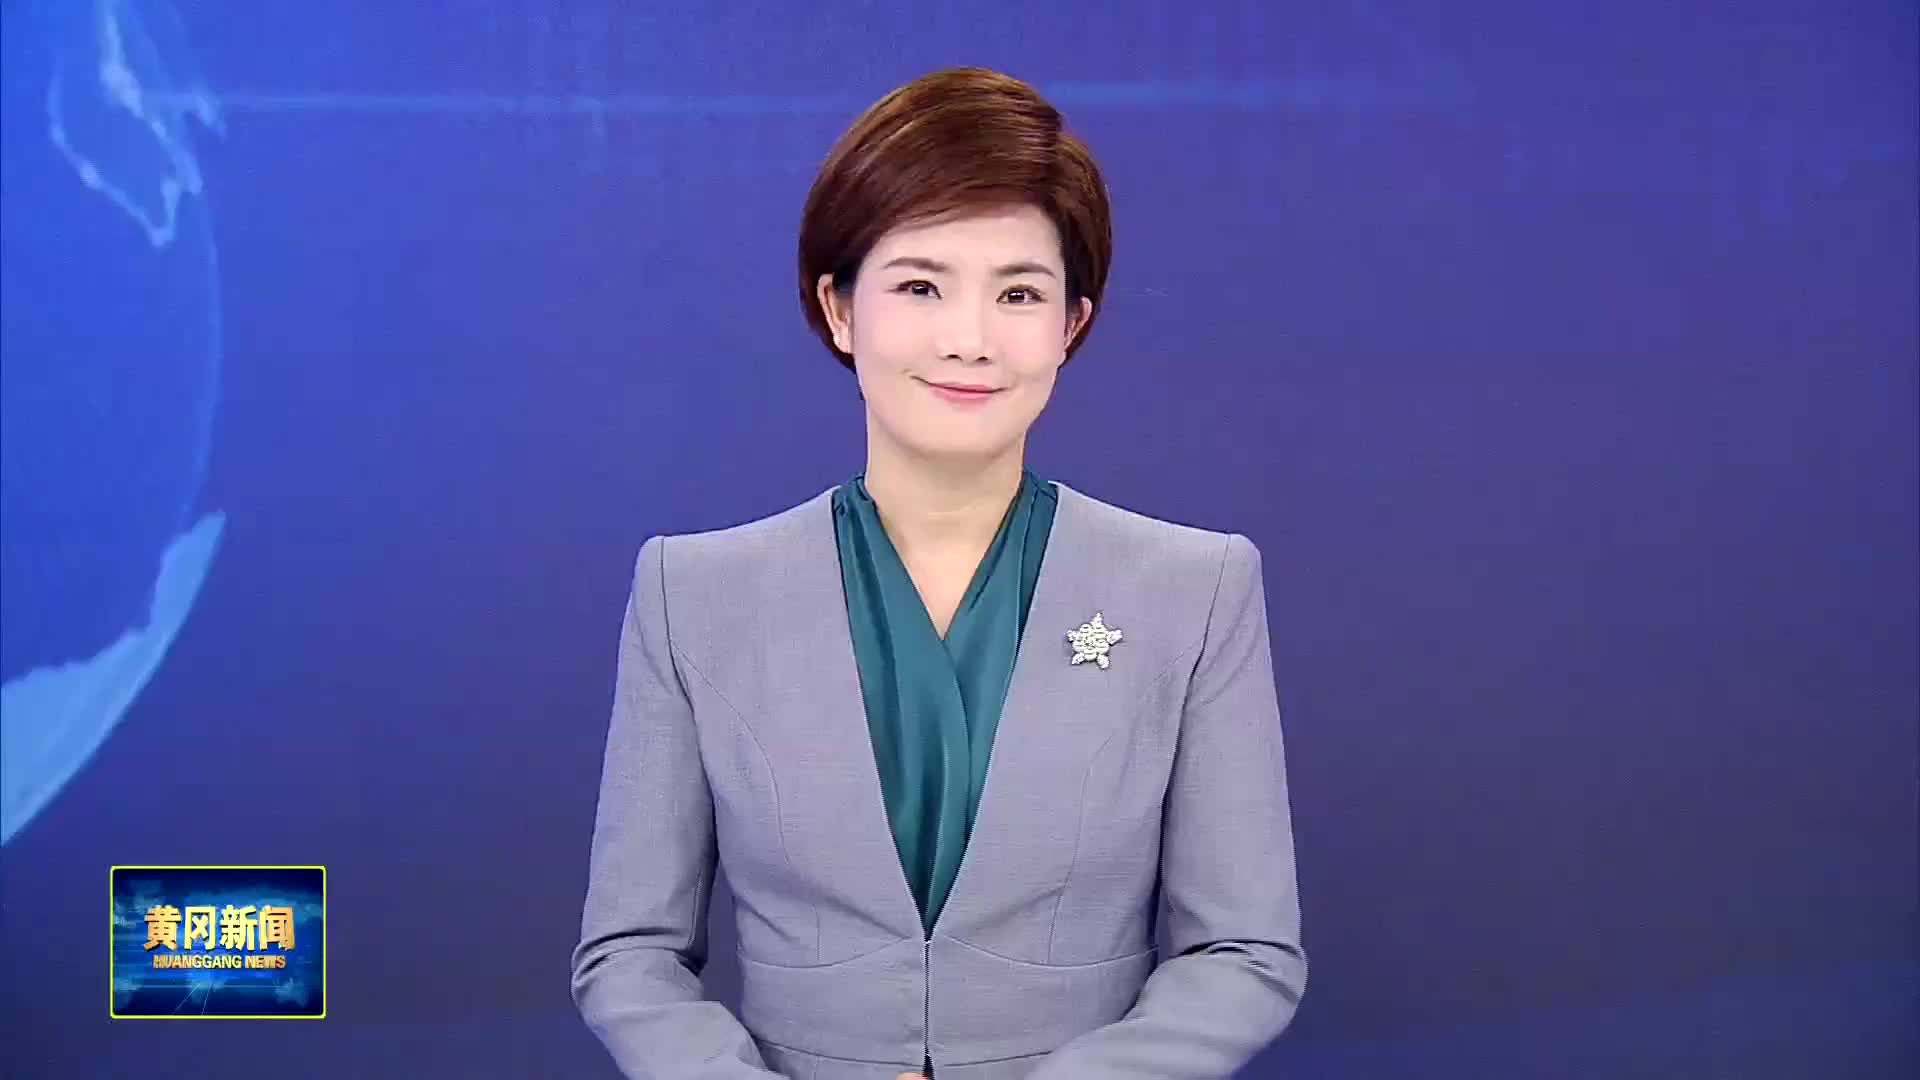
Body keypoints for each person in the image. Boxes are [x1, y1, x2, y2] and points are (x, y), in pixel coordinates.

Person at [571, 66, 1307, 1079]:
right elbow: (630, 954)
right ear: (838, 309)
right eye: (920, 286)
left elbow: (1244, 952)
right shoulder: (691, 594)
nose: (969, 340)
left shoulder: (1196, 590)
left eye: (1018, 294)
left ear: (1071, 324)